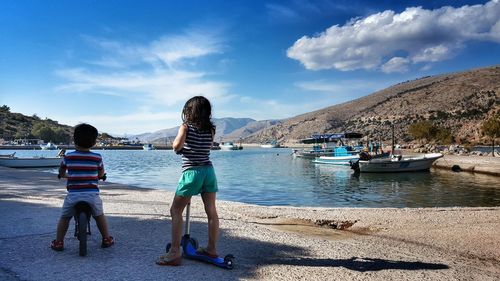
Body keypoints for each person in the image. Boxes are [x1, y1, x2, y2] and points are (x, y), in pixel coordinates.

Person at [156, 96, 219, 266]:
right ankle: (211, 248)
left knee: (176, 211)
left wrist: (181, 144)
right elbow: (207, 147)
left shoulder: (185, 127)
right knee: (211, 212)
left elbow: (176, 146)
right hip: (208, 171)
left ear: (189, 112)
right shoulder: (211, 129)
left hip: (192, 173)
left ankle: (175, 251)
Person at [50, 123, 114, 251]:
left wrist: (63, 175)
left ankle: (58, 242)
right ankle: (106, 238)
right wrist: (101, 176)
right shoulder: (97, 157)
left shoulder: (68, 156)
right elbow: (101, 173)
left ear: (74, 141)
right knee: (99, 215)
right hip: (92, 195)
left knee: (65, 217)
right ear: (94, 142)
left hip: (73, 195)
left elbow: (62, 171)